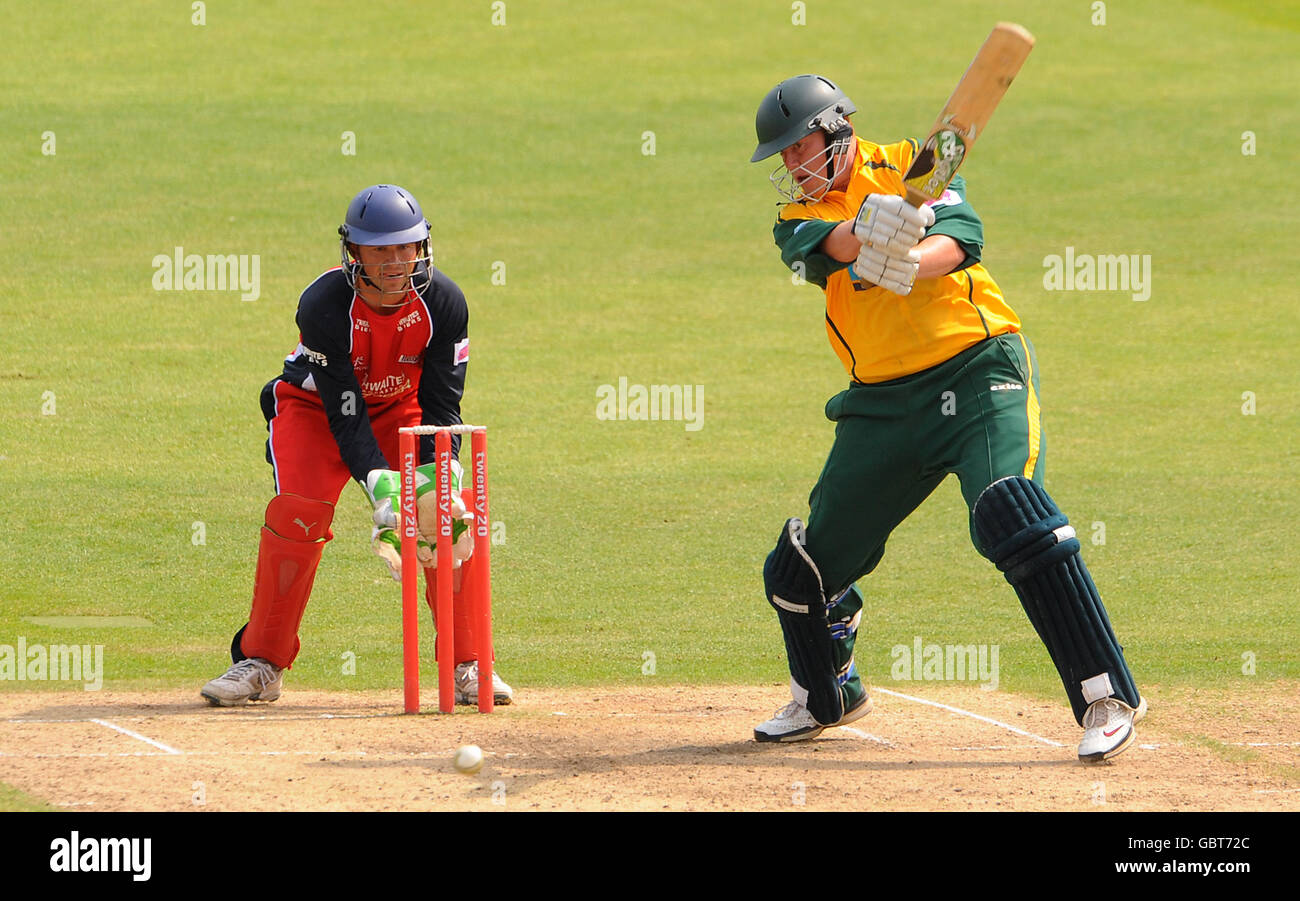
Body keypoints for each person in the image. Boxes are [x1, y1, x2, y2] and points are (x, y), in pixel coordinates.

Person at [748, 75, 1144, 761]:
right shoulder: (794, 217)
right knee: (799, 572)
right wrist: (866, 232)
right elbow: (827, 246)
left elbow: (960, 242)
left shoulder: (913, 164)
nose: (792, 165)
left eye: (800, 147)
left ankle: (1106, 695)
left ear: (838, 130)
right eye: (782, 156)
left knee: (1010, 512)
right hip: (881, 404)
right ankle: (826, 692)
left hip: (978, 369)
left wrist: (908, 258)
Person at [200, 184, 513, 708]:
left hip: (403, 413)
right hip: (314, 411)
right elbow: (345, 414)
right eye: (379, 249)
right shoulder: (323, 305)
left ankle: (467, 665)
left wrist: (445, 477)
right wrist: (382, 487)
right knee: (299, 515)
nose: (394, 261)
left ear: (422, 247)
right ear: (354, 253)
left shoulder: (446, 303)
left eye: (404, 247)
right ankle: (262, 663)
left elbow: (441, 406)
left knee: (447, 518)